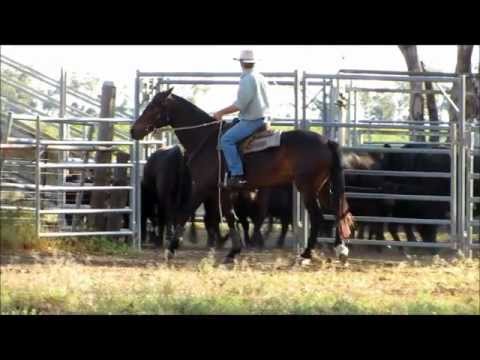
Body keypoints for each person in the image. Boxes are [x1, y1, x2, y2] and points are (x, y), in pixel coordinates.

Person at [213, 49, 271, 189]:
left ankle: (237, 175)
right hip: (263, 118)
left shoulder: (247, 79)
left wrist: (220, 112)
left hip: (252, 121)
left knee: (226, 140)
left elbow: (240, 104)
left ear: (241, 63)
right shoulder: (260, 77)